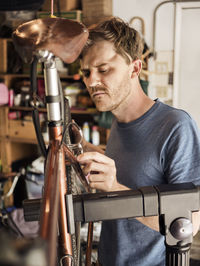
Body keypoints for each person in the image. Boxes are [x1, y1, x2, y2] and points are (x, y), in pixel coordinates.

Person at [76, 17, 200, 266]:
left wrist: (114, 188)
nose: (91, 81)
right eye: (86, 72)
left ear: (134, 68)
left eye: (103, 69)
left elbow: (190, 223)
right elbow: (140, 171)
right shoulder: (119, 122)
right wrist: (90, 152)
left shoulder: (175, 126)